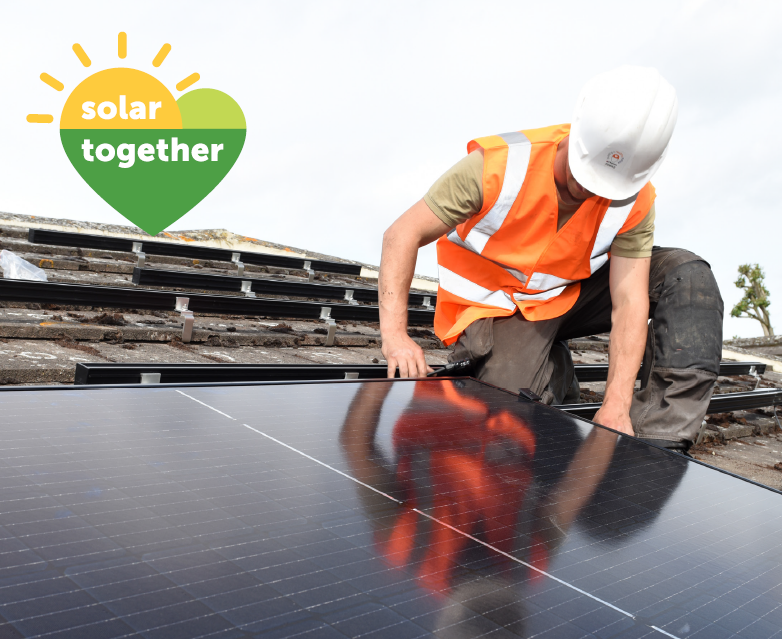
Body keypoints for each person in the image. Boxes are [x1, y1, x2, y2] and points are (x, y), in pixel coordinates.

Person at [378, 66, 724, 453]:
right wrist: (396, 337)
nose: (590, 191)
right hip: (499, 308)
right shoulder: (497, 166)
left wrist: (615, 404)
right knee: (501, 423)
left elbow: (629, 300)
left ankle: (658, 444)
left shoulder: (635, 198)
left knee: (686, 277)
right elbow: (401, 234)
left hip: (571, 293)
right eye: (584, 176)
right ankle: (550, 368)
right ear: (578, 134)